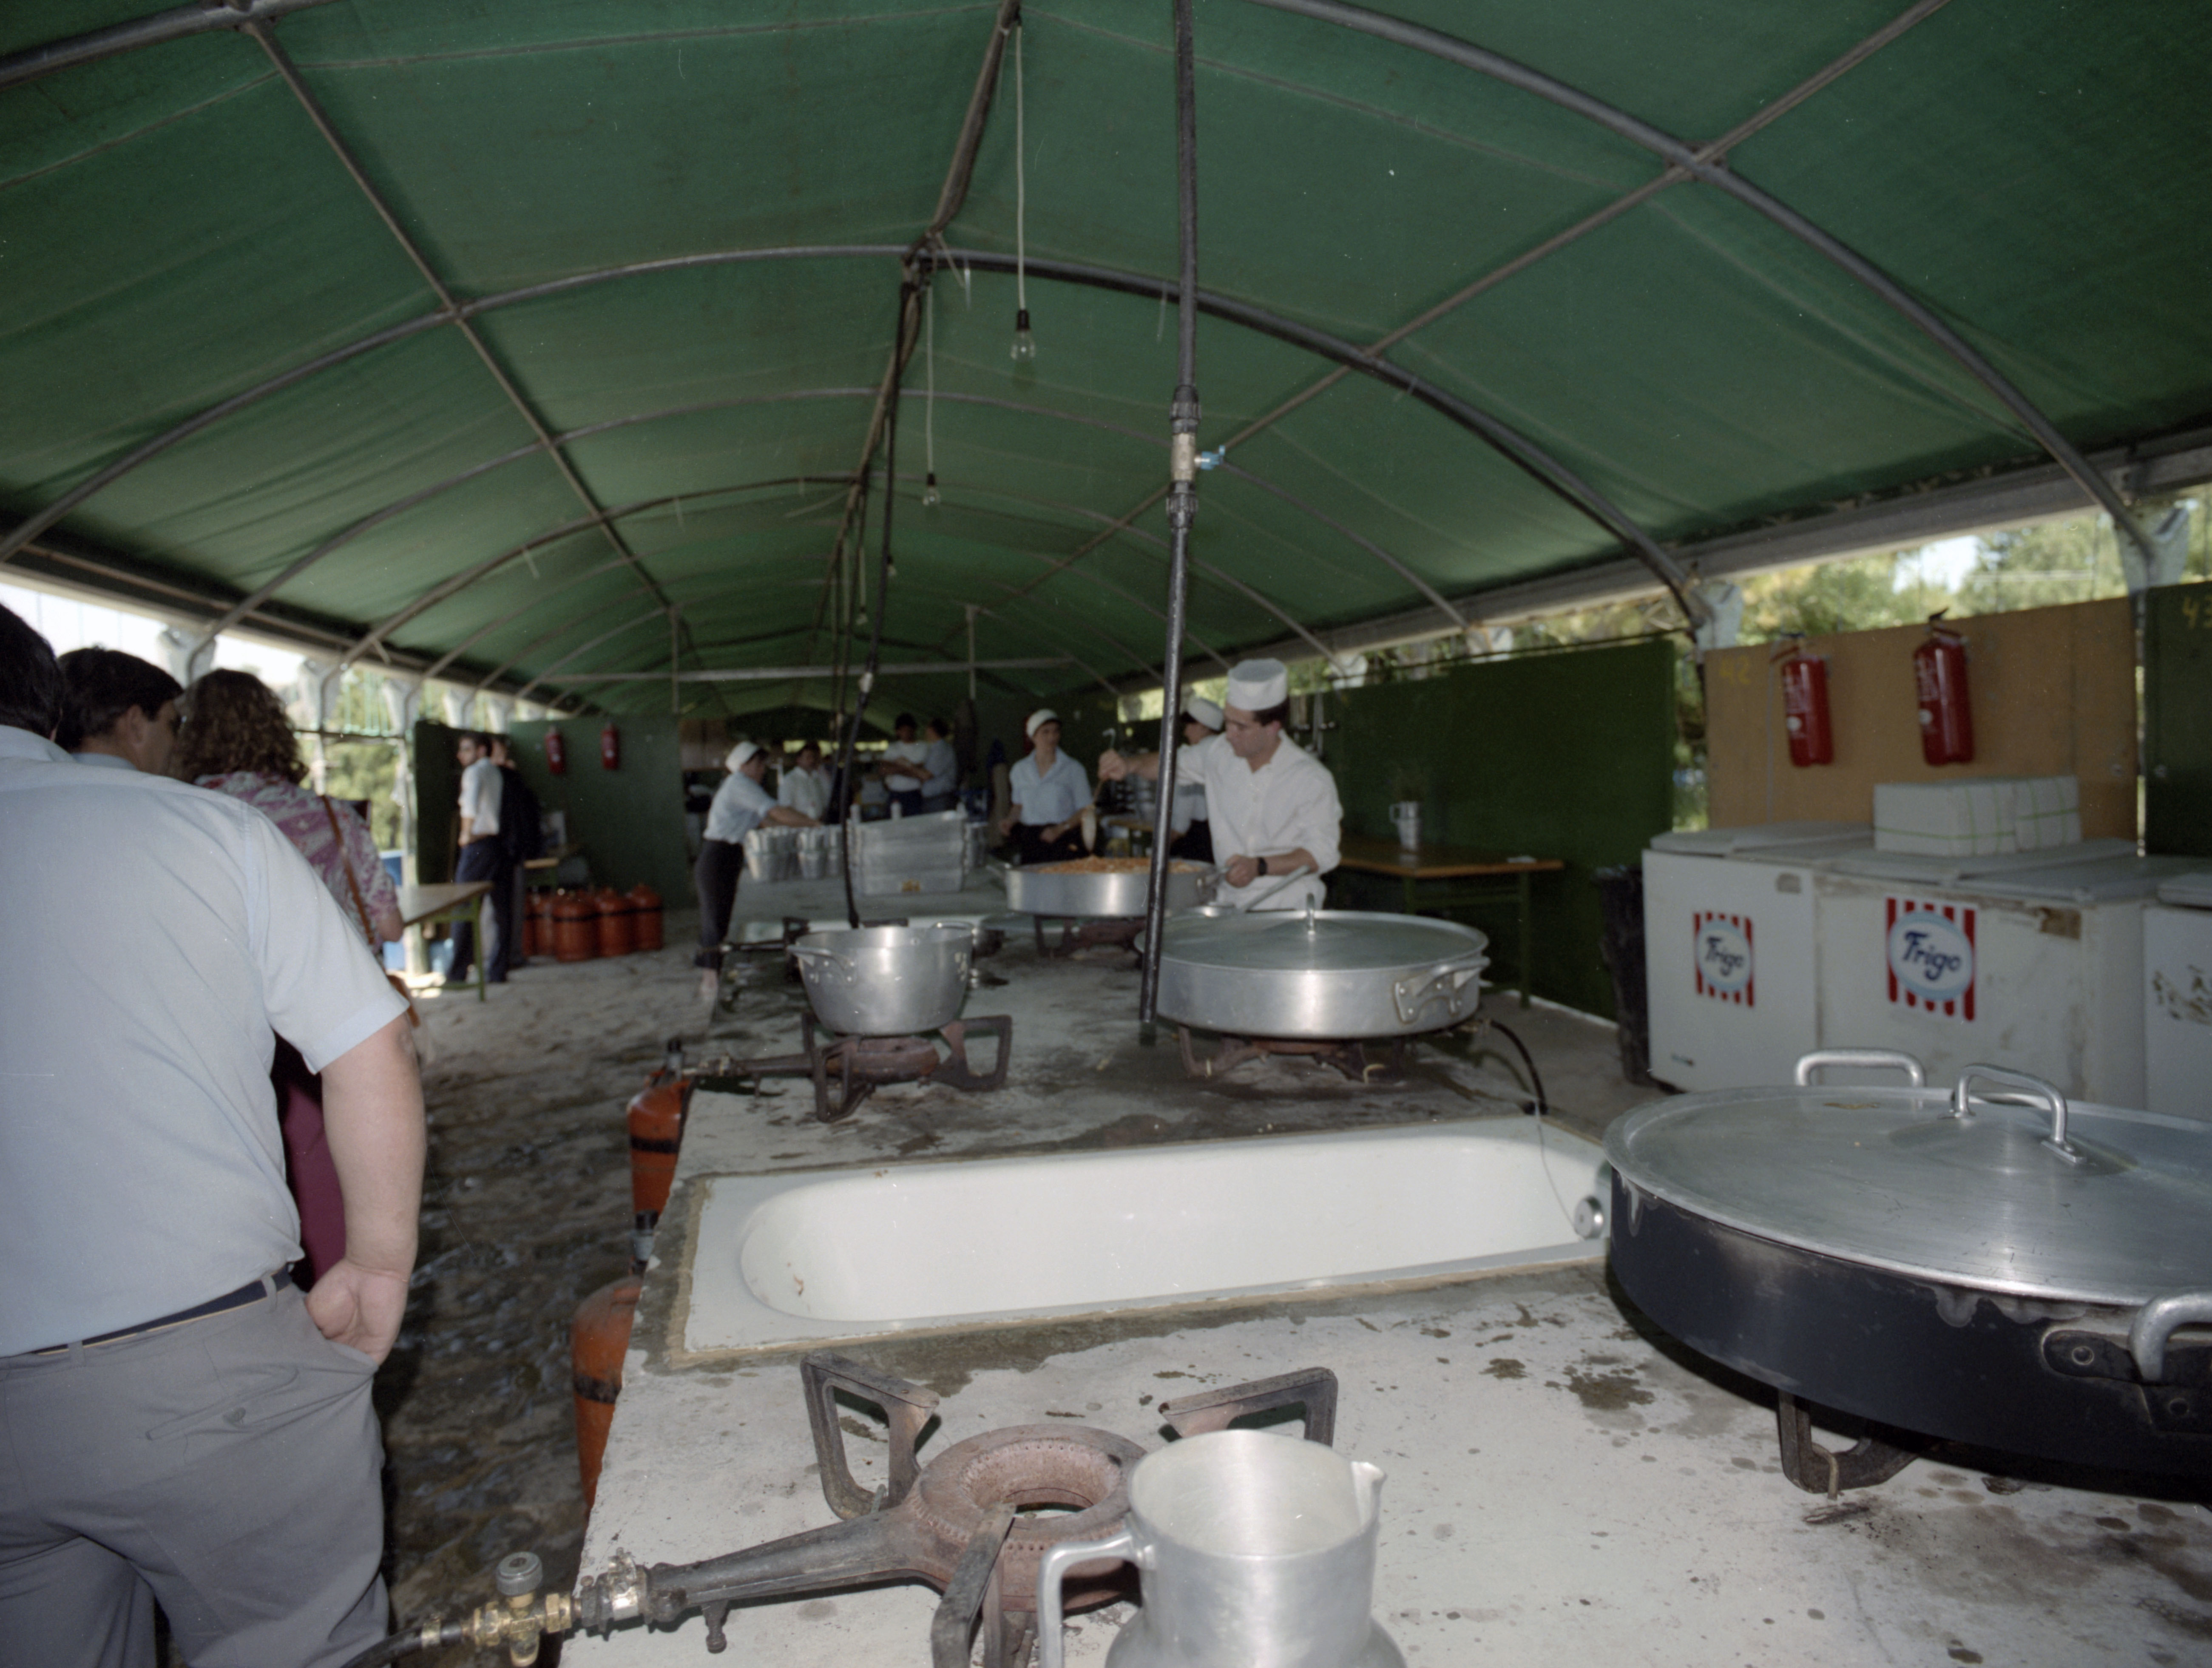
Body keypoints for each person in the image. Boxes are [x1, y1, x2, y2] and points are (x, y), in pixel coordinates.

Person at [0, 603, 426, 1668]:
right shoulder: (196, 829)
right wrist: (377, 1261)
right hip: (205, 1361)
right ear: (44, 706)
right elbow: (368, 1034)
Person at [176, 668, 405, 1285]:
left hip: (222, 1048)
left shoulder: (180, 817)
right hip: (328, 1047)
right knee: (334, 1202)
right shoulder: (332, 816)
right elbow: (389, 923)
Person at [1099, 659, 1340, 910]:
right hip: (1230, 903)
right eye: (1227, 722)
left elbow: (1322, 853)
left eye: (1241, 727)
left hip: (1288, 908)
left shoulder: (1310, 778)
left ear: (1272, 727)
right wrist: (1129, 765)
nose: (1230, 734)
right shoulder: (1218, 754)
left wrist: (1260, 866)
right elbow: (1169, 764)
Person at [694, 740, 819, 997]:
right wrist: (813, 824)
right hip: (717, 856)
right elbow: (777, 811)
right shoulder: (739, 784)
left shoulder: (746, 787)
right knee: (714, 920)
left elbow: (767, 822)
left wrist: (798, 829)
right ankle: (709, 981)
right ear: (743, 766)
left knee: (721, 918)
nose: (763, 769)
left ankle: (715, 977)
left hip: (728, 856)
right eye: (758, 764)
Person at [56, 647, 183, 775]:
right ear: (136, 724)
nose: (177, 746)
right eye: (172, 726)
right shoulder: (172, 789)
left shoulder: (45, 783)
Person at [449, 730, 509, 985]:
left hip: (477, 846)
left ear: (481, 750)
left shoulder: (474, 772)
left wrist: (465, 835)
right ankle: (498, 970)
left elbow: (470, 807)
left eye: (466, 749)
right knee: (502, 910)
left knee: (463, 906)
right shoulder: (495, 772)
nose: (460, 755)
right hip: (497, 845)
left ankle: (457, 973)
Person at [1000, 708, 1091, 865]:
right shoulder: (1020, 770)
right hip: (1031, 841)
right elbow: (1019, 806)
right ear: (1033, 737)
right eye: (1046, 732)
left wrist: (1060, 829)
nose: (1052, 737)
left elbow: (1086, 810)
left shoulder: (1073, 769)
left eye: (1056, 731)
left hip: (1064, 839)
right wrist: (1010, 820)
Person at [488, 735, 545, 970]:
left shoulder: (509, 778)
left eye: (503, 755)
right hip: (500, 853)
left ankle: (510, 956)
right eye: (496, 755)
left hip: (511, 852)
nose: (501, 760)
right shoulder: (495, 778)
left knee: (512, 907)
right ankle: (503, 958)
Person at [1168, 695, 1222, 862]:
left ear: (1205, 727)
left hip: (1202, 835)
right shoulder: (1220, 749)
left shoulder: (1199, 754)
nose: (1186, 732)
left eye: (1191, 725)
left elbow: (1187, 800)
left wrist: (1176, 831)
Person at [875, 712, 933, 817]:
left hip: (914, 793)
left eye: (908, 730)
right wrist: (910, 768)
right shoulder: (893, 748)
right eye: (903, 730)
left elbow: (922, 770)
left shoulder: (922, 746)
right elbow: (883, 770)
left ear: (914, 730)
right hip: (895, 793)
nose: (906, 733)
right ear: (898, 732)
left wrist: (896, 766)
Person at [778, 741, 830, 820]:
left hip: (820, 822)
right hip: (800, 824)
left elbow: (826, 799)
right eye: (808, 758)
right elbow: (785, 808)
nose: (812, 761)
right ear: (799, 760)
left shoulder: (817, 778)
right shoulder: (790, 780)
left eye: (813, 757)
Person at [920, 717, 960, 816]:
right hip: (933, 799)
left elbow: (927, 775)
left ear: (932, 730)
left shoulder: (941, 750)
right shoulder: (934, 749)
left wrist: (907, 766)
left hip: (940, 799)